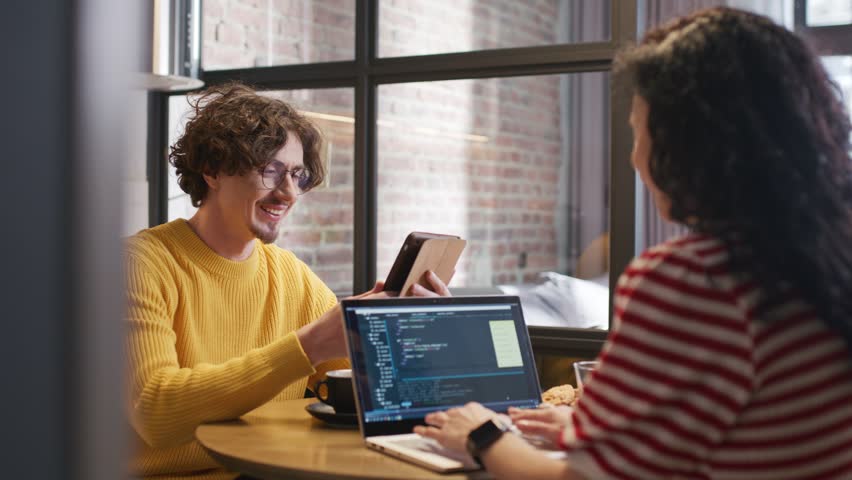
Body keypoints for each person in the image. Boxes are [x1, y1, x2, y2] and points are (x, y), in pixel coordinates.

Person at [415, 7, 852, 479]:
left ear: (687, 144)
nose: (634, 156)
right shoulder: (827, 256)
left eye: (638, 130)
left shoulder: (693, 278)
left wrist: (482, 435)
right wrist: (601, 432)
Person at [125, 83, 449, 479]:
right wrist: (308, 346)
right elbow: (155, 411)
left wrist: (407, 332)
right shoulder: (141, 264)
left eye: (297, 174)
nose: (288, 192)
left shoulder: (290, 275)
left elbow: (382, 396)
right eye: (270, 170)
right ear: (211, 170)